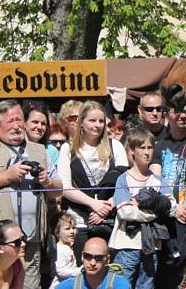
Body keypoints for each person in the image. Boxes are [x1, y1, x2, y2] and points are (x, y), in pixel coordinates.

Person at [0, 99, 63, 289]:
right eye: (10, 121)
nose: (17, 126)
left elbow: (59, 189)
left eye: (19, 120)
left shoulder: (39, 150)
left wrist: (47, 181)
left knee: (30, 284)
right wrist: (7, 176)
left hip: (31, 236)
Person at [58, 100, 128, 259]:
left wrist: (107, 206)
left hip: (110, 220)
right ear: (81, 122)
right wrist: (93, 204)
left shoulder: (115, 146)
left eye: (101, 121)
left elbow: (125, 183)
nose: (97, 125)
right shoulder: (67, 149)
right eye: (92, 120)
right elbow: (65, 187)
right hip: (80, 221)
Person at [150, 107, 186, 288]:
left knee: (185, 273)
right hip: (165, 216)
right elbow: (156, 179)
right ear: (167, 114)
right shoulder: (160, 145)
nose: (183, 116)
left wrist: (185, 207)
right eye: (177, 112)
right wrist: (173, 207)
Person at [110, 127, 176, 289]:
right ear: (131, 150)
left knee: (146, 285)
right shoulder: (123, 179)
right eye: (142, 147)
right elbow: (125, 211)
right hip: (126, 244)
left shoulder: (158, 180)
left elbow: (172, 207)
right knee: (121, 285)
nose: (147, 152)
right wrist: (156, 210)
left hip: (151, 245)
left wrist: (140, 204)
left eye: (150, 147)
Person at [53, 237, 129, 289]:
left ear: (107, 259)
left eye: (98, 258)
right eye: (87, 256)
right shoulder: (68, 286)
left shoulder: (120, 285)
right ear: (82, 256)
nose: (92, 263)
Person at [24, 102, 59, 171]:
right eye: (35, 122)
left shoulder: (52, 150)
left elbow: (56, 178)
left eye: (43, 124)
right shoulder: (16, 148)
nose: (39, 127)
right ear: (24, 123)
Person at [50, 212, 81, 289]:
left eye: (73, 228)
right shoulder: (59, 249)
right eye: (67, 228)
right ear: (57, 232)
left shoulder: (66, 247)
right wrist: (80, 271)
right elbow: (61, 271)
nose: (72, 231)